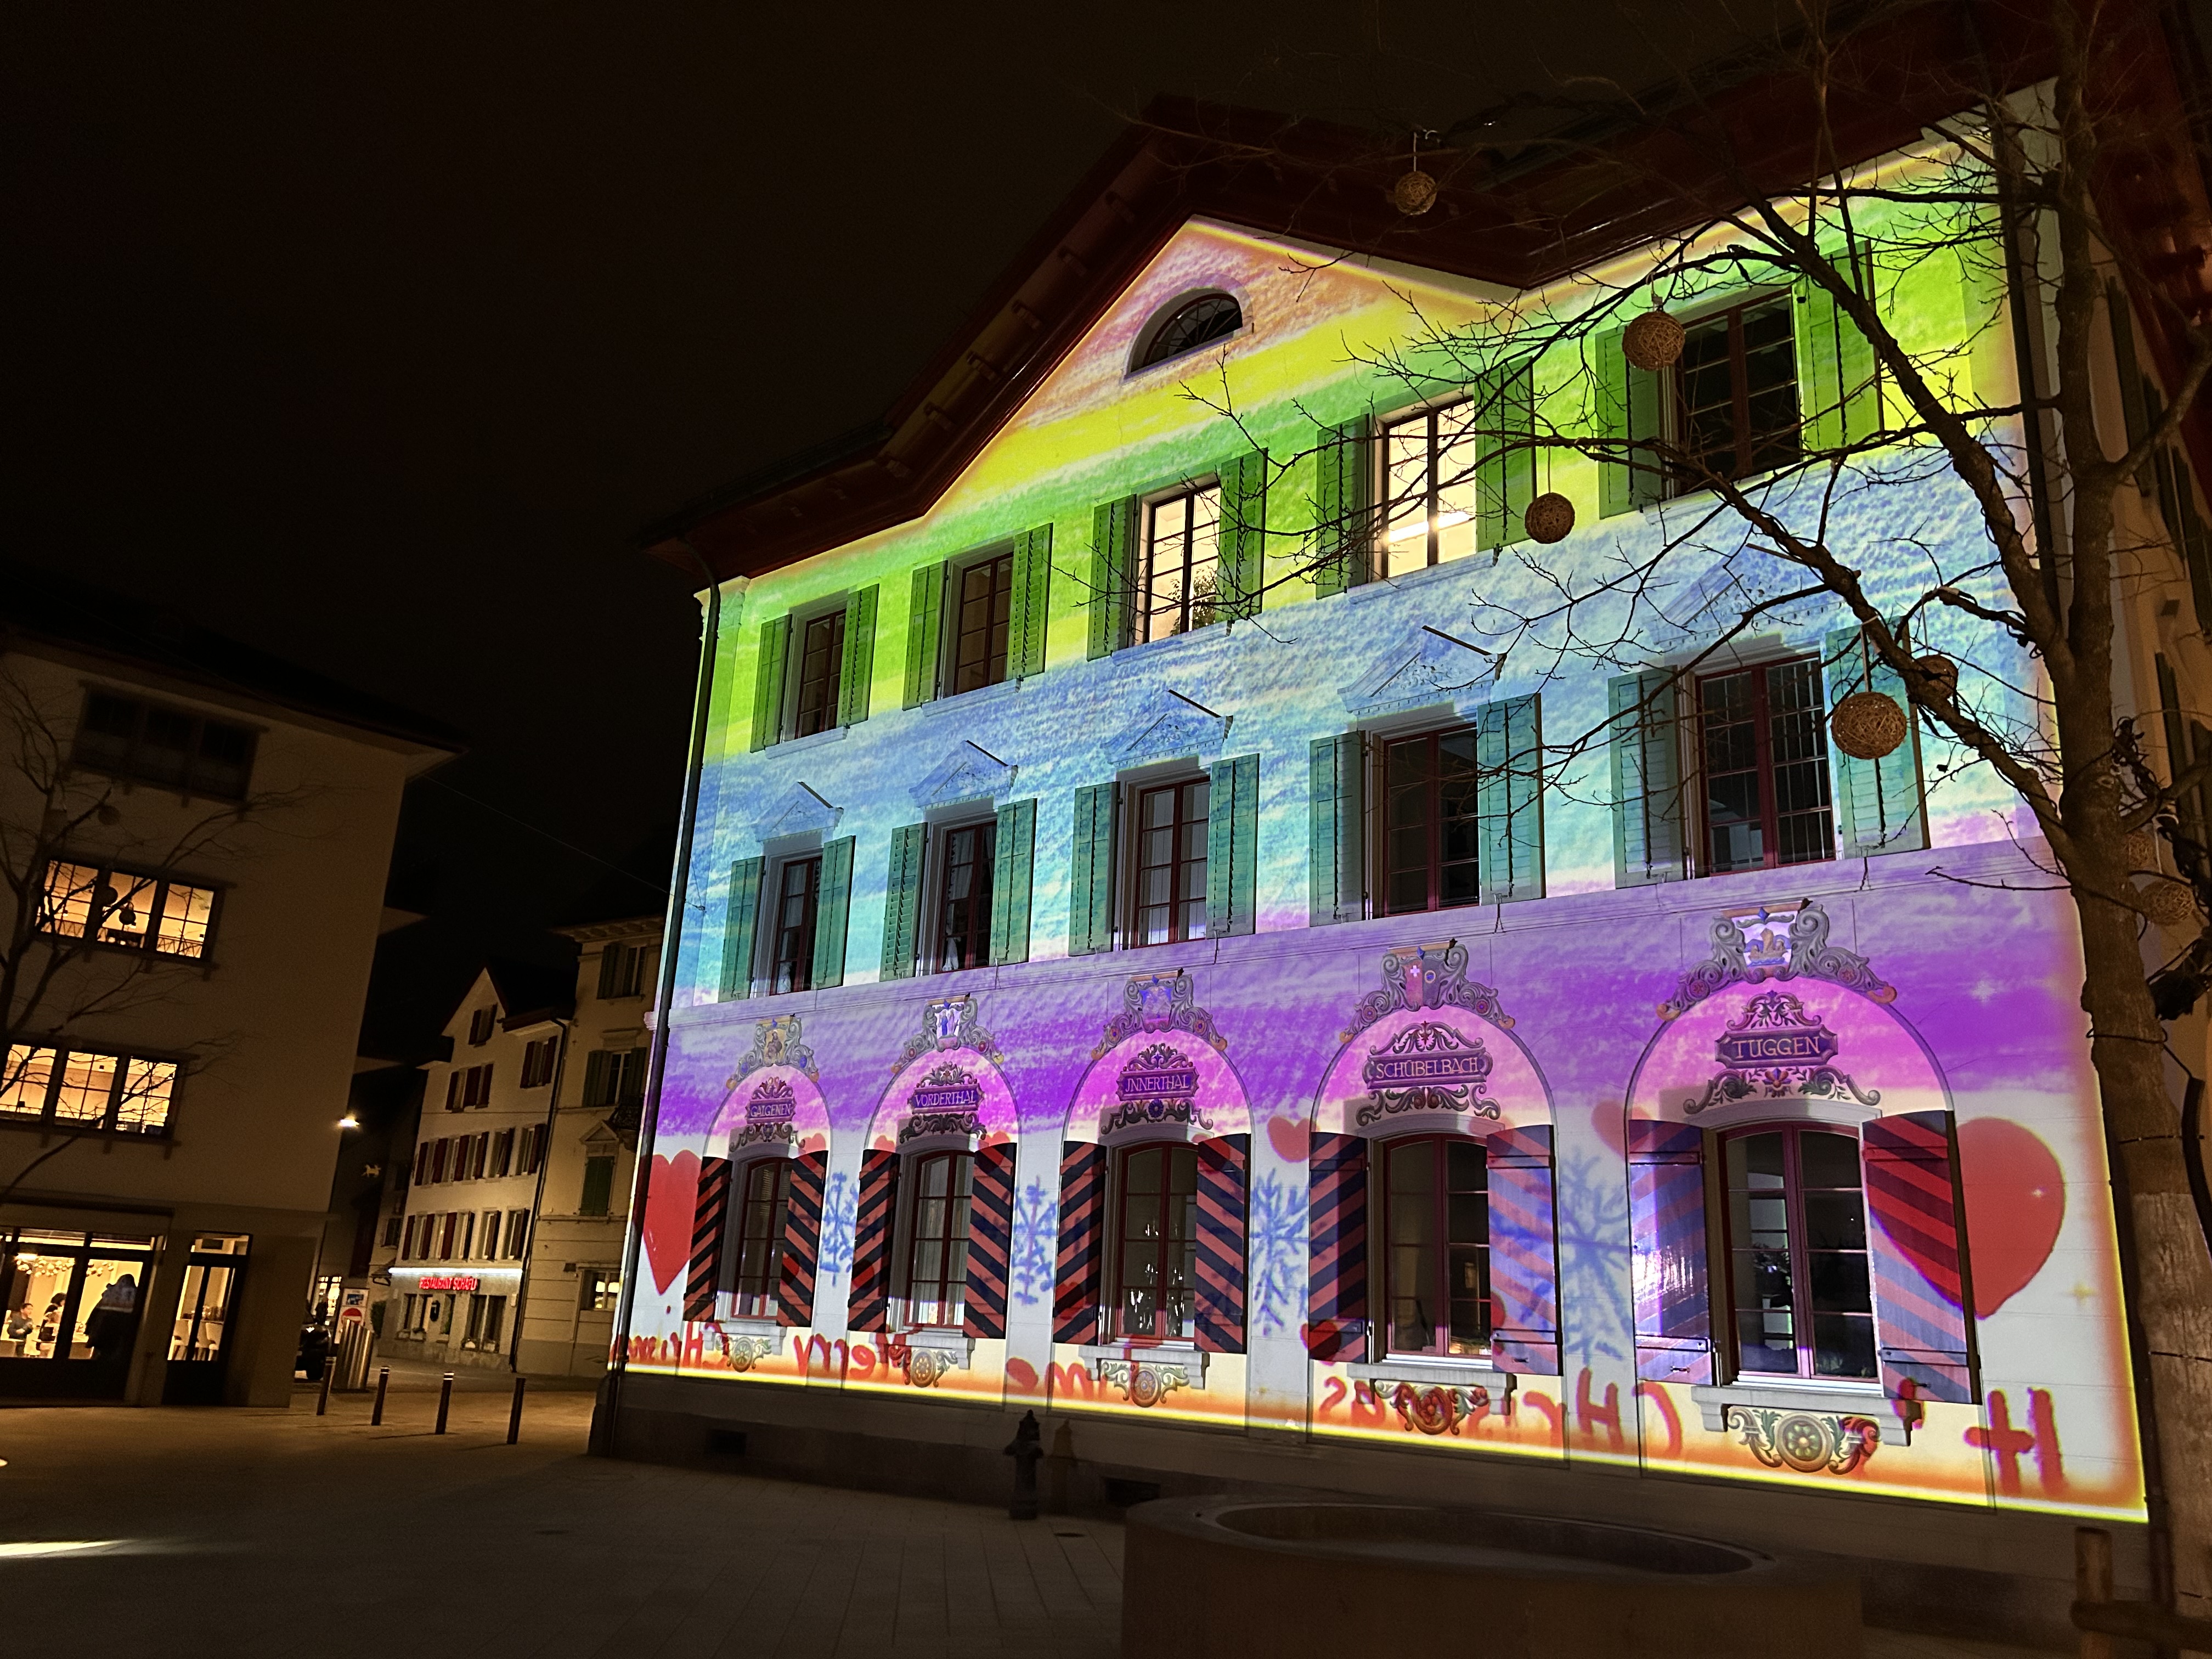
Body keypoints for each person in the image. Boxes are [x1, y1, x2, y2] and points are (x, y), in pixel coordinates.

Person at [82, 1276, 139, 1364]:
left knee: (99, 1358)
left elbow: (95, 1314)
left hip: (103, 1333)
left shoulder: (109, 1297)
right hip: (121, 1336)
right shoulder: (134, 1298)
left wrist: (90, 1330)